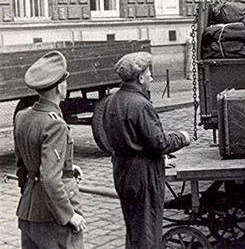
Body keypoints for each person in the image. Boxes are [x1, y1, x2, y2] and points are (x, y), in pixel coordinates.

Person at [102, 51, 191, 249]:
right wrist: (181, 138)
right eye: (149, 73)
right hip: (143, 174)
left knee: (133, 227)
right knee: (147, 230)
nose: (151, 77)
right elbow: (158, 143)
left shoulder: (110, 102)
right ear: (140, 78)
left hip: (122, 169)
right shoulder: (140, 104)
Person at [14, 50, 86, 248]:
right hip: (53, 217)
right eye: (65, 81)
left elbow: (23, 166)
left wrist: (68, 168)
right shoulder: (55, 124)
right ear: (58, 87)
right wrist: (69, 215)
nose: (66, 85)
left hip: (29, 209)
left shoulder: (22, 116)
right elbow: (50, 178)